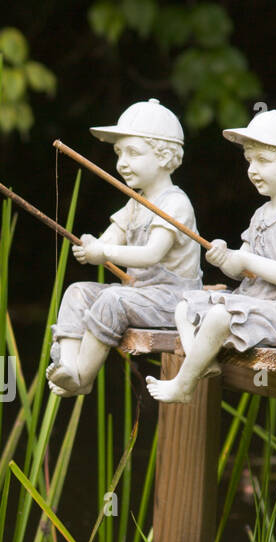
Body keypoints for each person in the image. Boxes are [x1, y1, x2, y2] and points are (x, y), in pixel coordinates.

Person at [146, 110, 276, 404]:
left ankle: (183, 383)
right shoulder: (261, 214)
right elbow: (239, 270)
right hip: (254, 303)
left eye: (264, 161)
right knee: (185, 304)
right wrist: (225, 258)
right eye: (250, 161)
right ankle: (203, 362)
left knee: (219, 316)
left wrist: (244, 261)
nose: (253, 169)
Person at [46, 99, 203, 397]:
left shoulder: (174, 203)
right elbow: (110, 238)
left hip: (173, 301)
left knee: (112, 300)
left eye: (133, 153)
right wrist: (92, 246)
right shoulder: (135, 203)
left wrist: (104, 254)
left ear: (164, 156)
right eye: (119, 153)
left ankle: (83, 377)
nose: (122, 163)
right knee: (78, 291)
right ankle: (67, 365)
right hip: (142, 296)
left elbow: (151, 255)